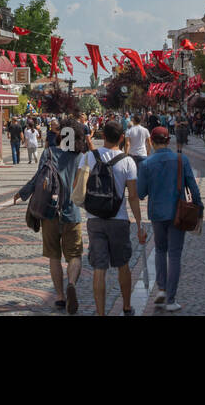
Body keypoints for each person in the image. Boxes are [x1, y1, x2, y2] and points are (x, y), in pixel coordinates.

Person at [73, 120, 146, 315]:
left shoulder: (88, 156)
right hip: (119, 219)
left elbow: (77, 186)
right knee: (123, 264)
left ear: (103, 136)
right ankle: (127, 305)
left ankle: (100, 312)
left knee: (99, 267)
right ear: (122, 138)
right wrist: (139, 224)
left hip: (94, 218)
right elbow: (132, 196)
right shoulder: (128, 161)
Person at [14, 118, 86, 314]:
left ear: (62, 135)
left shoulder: (48, 153)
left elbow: (38, 179)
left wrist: (22, 193)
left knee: (54, 256)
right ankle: (71, 282)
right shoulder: (81, 157)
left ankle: (61, 297)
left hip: (50, 213)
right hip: (72, 213)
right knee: (75, 255)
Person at [136, 126, 203, 312]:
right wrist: (200, 208)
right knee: (174, 254)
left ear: (151, 140)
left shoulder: (146, 164)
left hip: (157, 213)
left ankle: (162, 289)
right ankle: (171, 299)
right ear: (168, 140)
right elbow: (193, 187)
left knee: (160, 250)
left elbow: (140, 193)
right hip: (178, 213)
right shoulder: (181, 160)